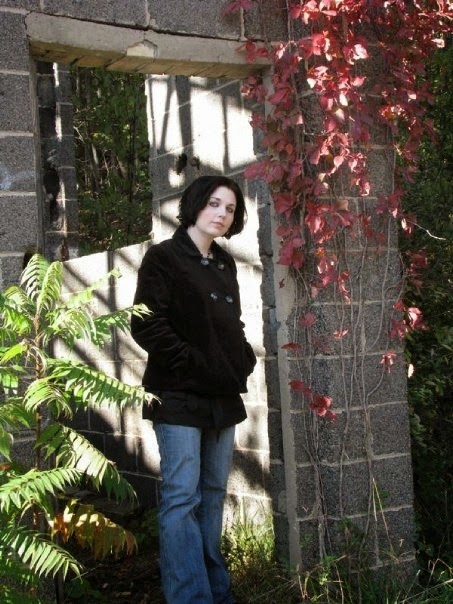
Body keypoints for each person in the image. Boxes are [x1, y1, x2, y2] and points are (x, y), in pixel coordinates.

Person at [131, 175, 256, 604]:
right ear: (196, 204)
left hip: (222, 397)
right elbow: (145, 323)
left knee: (213, 494)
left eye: (230, 209)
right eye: (214, 204)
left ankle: (216, 592)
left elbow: (232, 323)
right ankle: (189, 597)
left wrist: (242, 358)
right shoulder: (163, 258)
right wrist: (194, 363)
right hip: (178, 395)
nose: (222, 214)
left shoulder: (224, 263)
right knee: (182, 497)